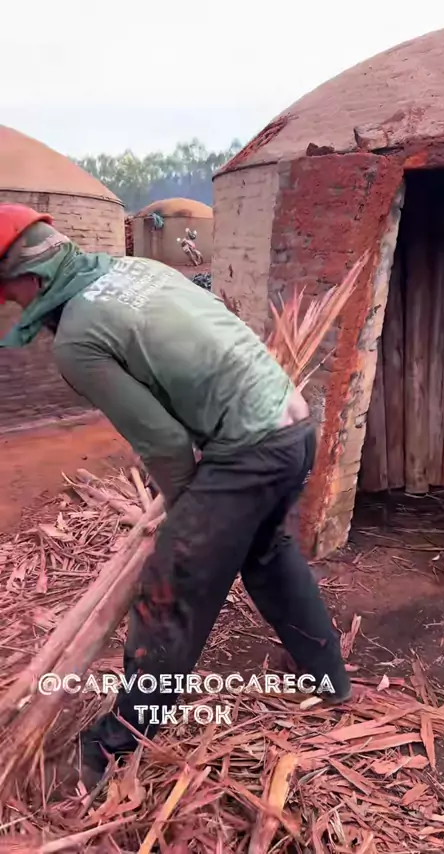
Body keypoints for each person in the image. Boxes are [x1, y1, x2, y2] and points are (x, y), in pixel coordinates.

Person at [0, 204, 351, 794]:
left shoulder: (78, 340)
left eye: (8, 291)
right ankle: (327, 676)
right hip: (291, 424)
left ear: (29, 277)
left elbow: (163, 441)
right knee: (267, 554)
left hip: (247, 450)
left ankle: (115, 745)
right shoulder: (136, 270)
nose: (11, 304)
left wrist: (186, 520)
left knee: (169, 591)